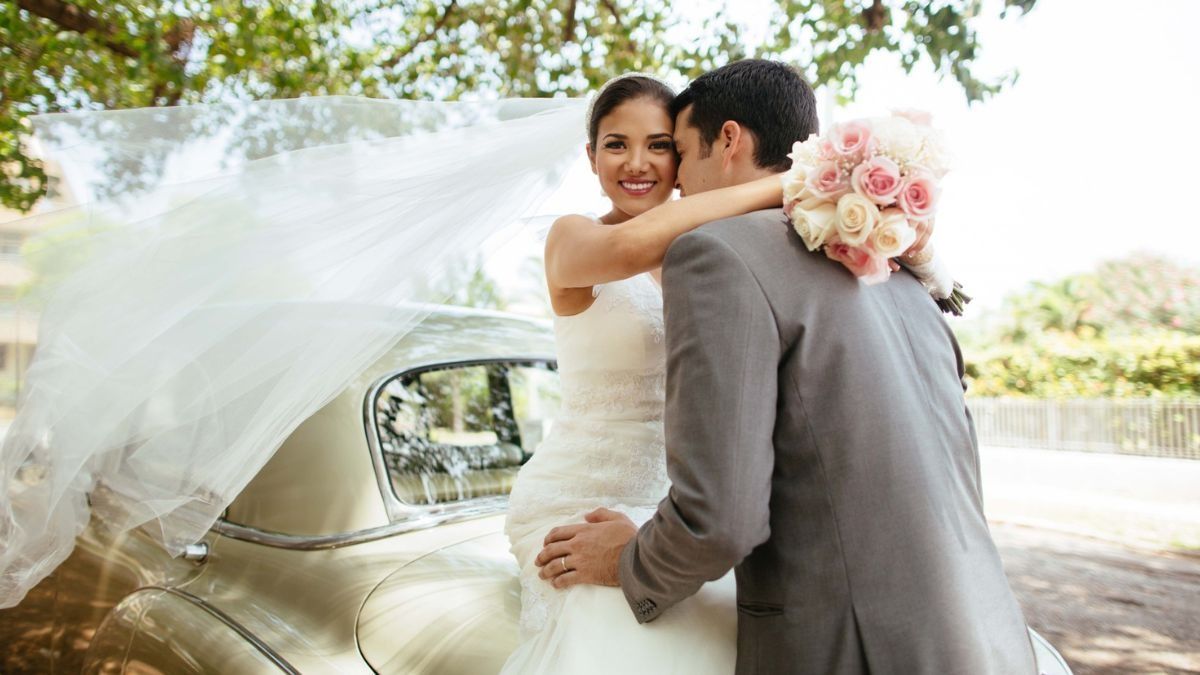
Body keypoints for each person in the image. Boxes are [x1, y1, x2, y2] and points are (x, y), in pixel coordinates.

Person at [533, 60, 1038, 673]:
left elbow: (719, 520)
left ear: (728, 141)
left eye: (675, 151)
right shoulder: (894, 267)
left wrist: (628, 559)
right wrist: (816, 186)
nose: (676, 181)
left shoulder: (714, 255)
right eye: (617, 145)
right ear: (592, 155)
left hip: (842, 641)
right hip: (985, 632)